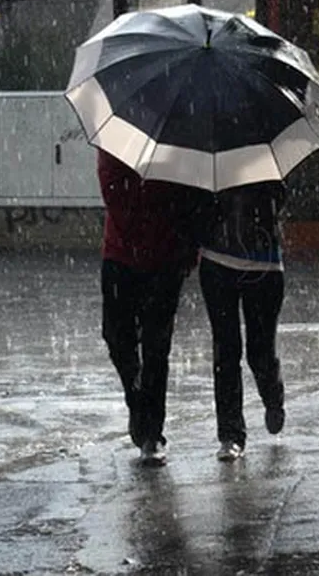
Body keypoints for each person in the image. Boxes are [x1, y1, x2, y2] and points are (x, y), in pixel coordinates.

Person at [98, 149, 198, 466]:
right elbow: (112, 191)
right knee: (117, 339)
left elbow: (191, 198)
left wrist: (186, 246)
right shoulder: (117, 143)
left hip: (166, 259)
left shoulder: (180, 144)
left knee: (156, 346)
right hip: (121, 257)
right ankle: (137, 398)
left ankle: (152, 432)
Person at [193, 181, 288, 462]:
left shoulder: (267, 159)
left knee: (260, 352)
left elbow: (279, 201)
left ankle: (273, 396)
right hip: (217, 263)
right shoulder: (207, 159)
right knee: (226, 351)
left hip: (263, 266)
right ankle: (231, 435)